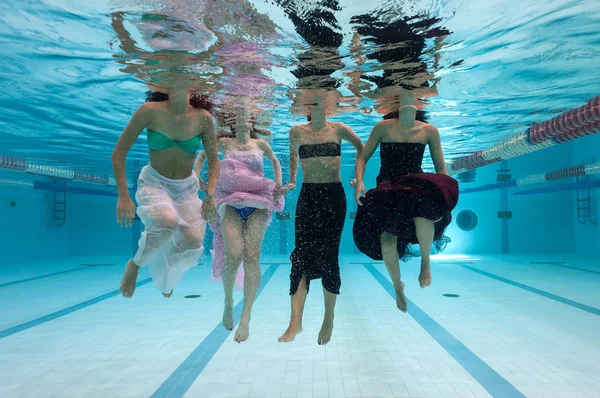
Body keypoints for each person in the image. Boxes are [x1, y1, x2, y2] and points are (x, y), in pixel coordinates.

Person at [353, 93, 458, 312]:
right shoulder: (383, 127)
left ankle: (425, 262)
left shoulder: (429, 131)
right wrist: (360, 181)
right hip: (388, 188)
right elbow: (363, 157)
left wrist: (444, 194)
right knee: (387, 240)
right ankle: (397, 286)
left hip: (415, 186)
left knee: (423, 217)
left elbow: (441, 169)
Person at [112, 89, 219, 298]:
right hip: (155, 182)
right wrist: (123, 196)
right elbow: (119, 153)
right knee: (167, 222)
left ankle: (166, 280)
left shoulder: (202, 118)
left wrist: (210, 197)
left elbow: (215, 161)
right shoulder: (149, 111)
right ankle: (135, 264)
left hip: (187, 187)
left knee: (192, 244)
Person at [278, 90, 364, 345]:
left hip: (333, 197)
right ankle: (295, 323)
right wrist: (293, 180)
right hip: (308, 196)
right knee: (301, 257)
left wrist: (359, 179)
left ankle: (328, 318)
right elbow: (294, 157)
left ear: (328, 104)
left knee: (329, 257)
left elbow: (362, 148)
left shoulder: (339, 129)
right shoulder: (296, 131)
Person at [195, 108, 284, 343]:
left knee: (252, 256)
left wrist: (279, 185)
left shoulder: (260, 144)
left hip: (258, 201)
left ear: (253, 120)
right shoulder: (223, 142)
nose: (243, 117)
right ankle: (227, 300)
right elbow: (203, 156)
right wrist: (198, 179)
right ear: (233, 120)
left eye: (248, 115)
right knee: (233, 255)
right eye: (239, 114)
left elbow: (275, 161)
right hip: (230, 202)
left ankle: (246, 316)